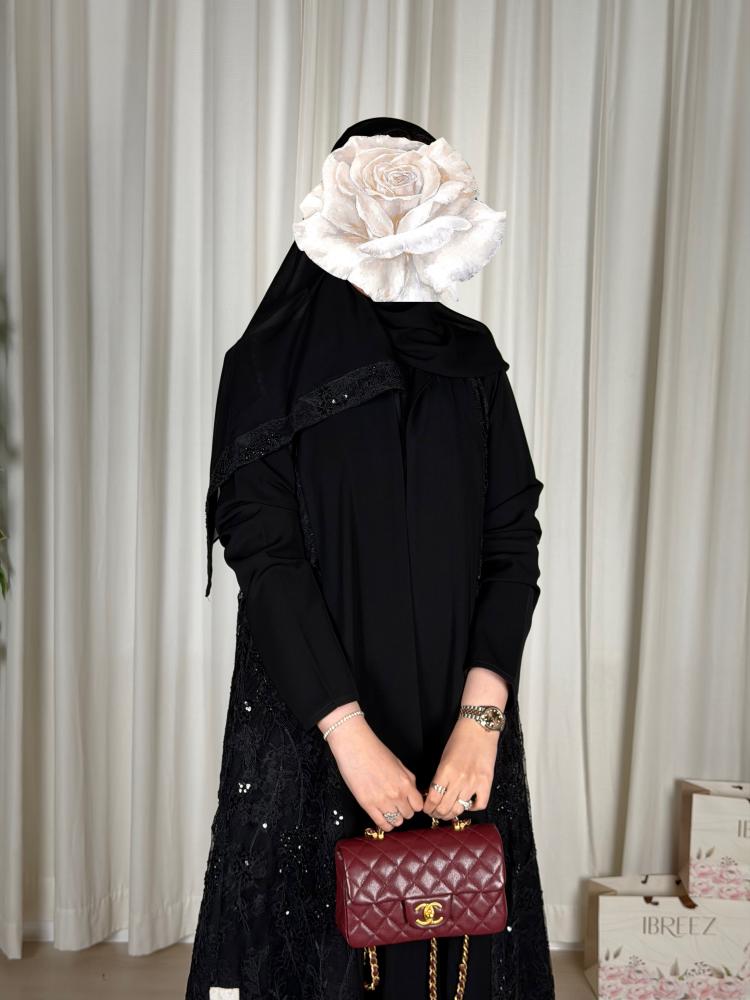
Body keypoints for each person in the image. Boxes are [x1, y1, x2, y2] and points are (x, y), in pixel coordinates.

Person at [186, 116, 555, 1000]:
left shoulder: (471, 366)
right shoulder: (265, 370)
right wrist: (348, 737)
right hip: (315, 724)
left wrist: (481, 725)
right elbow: (266, 560)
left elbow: (512, 542)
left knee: (453, 952)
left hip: (455, 731)